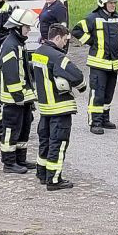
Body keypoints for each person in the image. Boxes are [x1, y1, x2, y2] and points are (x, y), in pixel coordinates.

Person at [32, 23, 86, 190]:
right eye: (64, 40)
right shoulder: (58, 57)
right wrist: (81, 87)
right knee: (59, 143)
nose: (65, 43)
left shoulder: (38, 53)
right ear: (57, 38)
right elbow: (77, 76)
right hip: (60, 106)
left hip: (45, 107)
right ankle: (54, 179)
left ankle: (42, 173)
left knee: (45, 141)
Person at [72, 0, 118, 135]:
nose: (113, 5)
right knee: (97, 93)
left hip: (114, 64)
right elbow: (76, 30)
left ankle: (104, 118)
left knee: (109, 94)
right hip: (98, 64)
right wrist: (91, 42)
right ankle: (95, 122)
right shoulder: (93, 18)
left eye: (114, 3)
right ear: (102, 3)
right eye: (110, 3)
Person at [0, 8, 38, 174]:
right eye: (26, 27)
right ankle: (9, 163)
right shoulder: (10, 45)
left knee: (23, 128)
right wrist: (18, 96)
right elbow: (11, 73)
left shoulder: (18, 43)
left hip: (23, 98)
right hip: (13, 99)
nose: (29, 30)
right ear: (17, 27)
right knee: (11, 130)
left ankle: (20, 159)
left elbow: (22, 71)